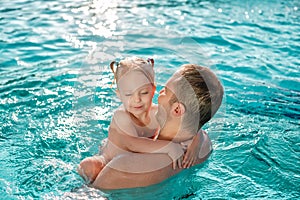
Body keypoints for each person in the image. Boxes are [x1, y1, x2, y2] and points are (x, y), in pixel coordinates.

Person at [92, 64, 224, 190]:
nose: (159, 92)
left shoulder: (125, 166)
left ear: (177, 109)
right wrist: (198, 137)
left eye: (165, 91)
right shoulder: (204, 147)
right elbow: (196, 121)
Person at [78, 58, 203, 183]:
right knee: (88, 166)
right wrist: (169, 147)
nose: (136, 99)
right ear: (119, 94)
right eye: (128, 94)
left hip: (131, 162)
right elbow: (132, 144)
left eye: (143, 92)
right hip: (108, 159)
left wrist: (195, 145)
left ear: (153, 90)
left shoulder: (157, 113)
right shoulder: (122, 116)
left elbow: (191, 123)